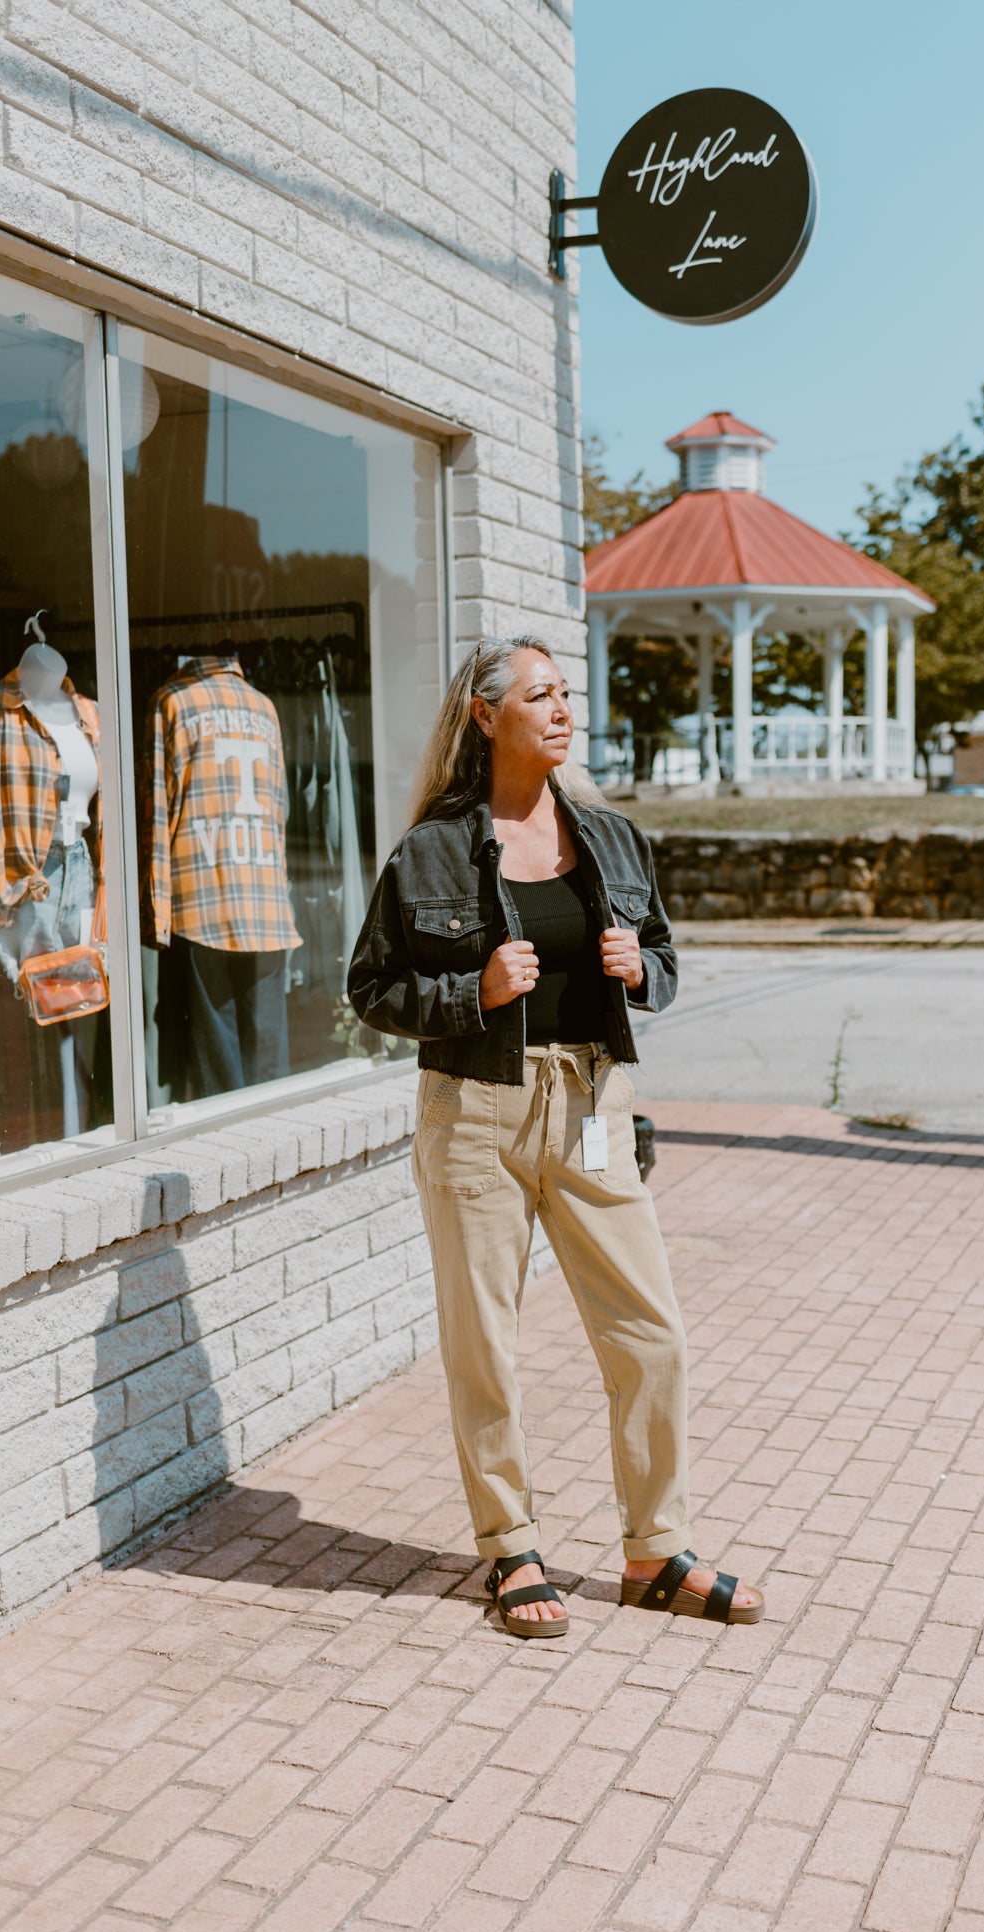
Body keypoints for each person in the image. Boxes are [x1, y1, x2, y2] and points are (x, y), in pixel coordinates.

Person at [347, 636, 763, 1639]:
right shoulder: (432, 849)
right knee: (484, 1342)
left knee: (647, 1328)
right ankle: (509, 1548)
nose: (562, 708)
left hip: (589, 1107)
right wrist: (471, 990)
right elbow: (371, 989)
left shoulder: (611, 837)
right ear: (487, 715)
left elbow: (661, 959)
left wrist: (639, 967)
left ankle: (654, 1549)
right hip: (477, 1109)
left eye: (566, 692)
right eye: (541, 694)